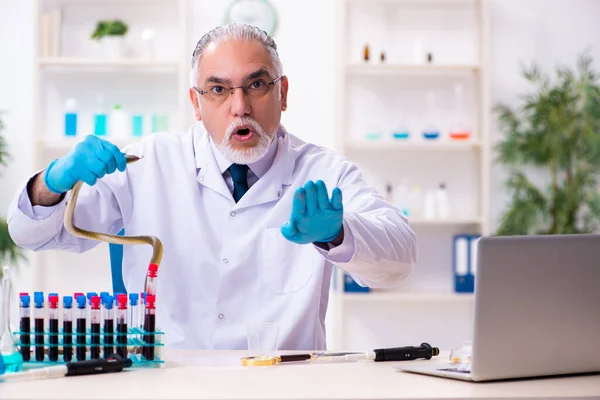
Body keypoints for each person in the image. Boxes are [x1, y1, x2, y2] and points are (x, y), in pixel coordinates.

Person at [7, 23, 417, 350]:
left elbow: (400, 261)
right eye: (219, 90)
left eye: (257, 85)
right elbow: (30, 233)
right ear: (196, 103)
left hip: (286, 386)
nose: (240, 106)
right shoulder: (148, 164)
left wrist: (338, 233)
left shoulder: (325, 172)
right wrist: (53, 181)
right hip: (167, 384)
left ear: (283, 92)